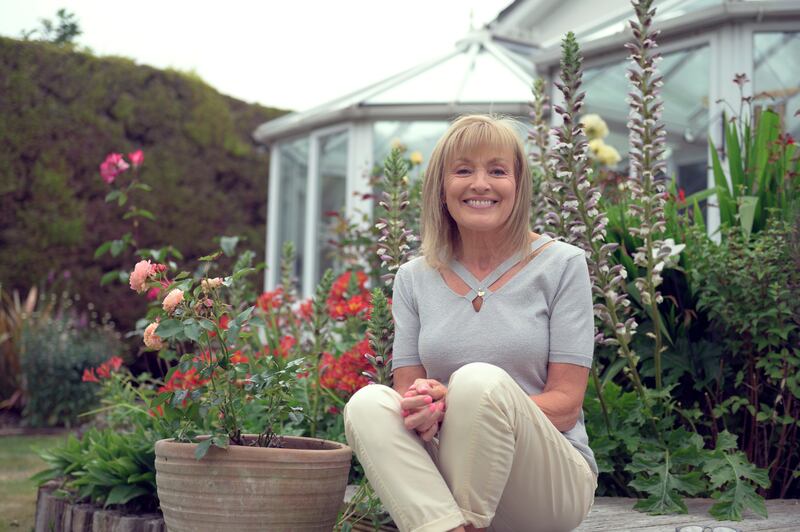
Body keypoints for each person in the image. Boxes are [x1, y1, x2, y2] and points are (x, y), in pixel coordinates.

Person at [344, 115, 597, 532]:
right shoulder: (413, 276)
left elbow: (566, 407)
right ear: (442, 187)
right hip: (448, 477)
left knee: (478, 381)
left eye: (497, 170)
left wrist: (460, 402)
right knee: (369, 404)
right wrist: (422, 405)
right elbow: (408, 391)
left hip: (547, 484)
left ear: (518, 185)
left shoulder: (562, 264)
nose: (481, 183)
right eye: (463, 170)